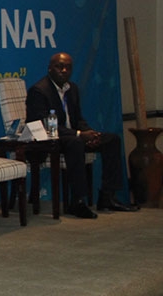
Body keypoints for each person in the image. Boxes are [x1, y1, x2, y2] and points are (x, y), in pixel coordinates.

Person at [25, 52, 137, 218]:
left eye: (68, 67)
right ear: (50, 68)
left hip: (72, 135)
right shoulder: (39, 91)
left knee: (112, 140)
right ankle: (77, 201)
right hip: (49, 139)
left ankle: (108, 197)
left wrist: (90, 133)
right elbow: (43, 124)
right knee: (75, 142)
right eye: (59, 66)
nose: (64, 70)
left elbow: (78, 119)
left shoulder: (73, 89)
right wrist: (79, 134)